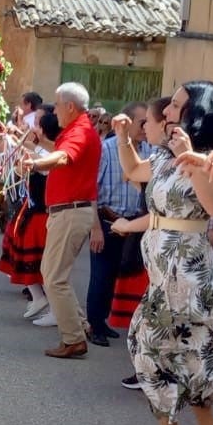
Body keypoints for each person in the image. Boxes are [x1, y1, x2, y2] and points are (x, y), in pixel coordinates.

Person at [114, 82, 213, 425]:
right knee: (186, 352)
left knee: (150, 348)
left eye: (175, 105)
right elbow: (133, 170)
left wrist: (191, 158)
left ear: (194, 113)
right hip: (165, 269)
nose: (167, 110)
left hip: (185, 270)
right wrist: (123, 136)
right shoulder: (166, 156)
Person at [29, 83, 103, 359]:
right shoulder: (78, 130)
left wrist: (36, 163)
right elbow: (60, 151)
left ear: (70, 106)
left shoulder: (80, 130)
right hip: (67, 212)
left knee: (54, 278)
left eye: (57, 105)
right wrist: (38, 145)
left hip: (70, 212)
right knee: (55, 276)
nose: (54, 110)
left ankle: (74, 338)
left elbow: (63, 156)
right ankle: (78, 328)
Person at [86, 101, 149, 348]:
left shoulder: (149, 151)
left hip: (135, 223)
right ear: (128, 123)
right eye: (142, 122)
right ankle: (94, 324)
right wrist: (95, 228)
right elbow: (90, 190)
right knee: (101, 276)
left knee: (119, 277)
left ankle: (105, 321)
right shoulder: (106, 149)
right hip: (108, 221)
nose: (146, 127)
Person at [0, 117, 53, 317]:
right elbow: (17, 159)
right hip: (32, 211)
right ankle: (39, 298)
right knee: (22, 253)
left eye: (37, 124)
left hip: (42, 215)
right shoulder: (39, 150)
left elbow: (34, 161)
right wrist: (10, 138)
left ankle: (52, 307)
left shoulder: (49, 155)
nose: (32, 127)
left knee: (46, 266)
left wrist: (18, 142)